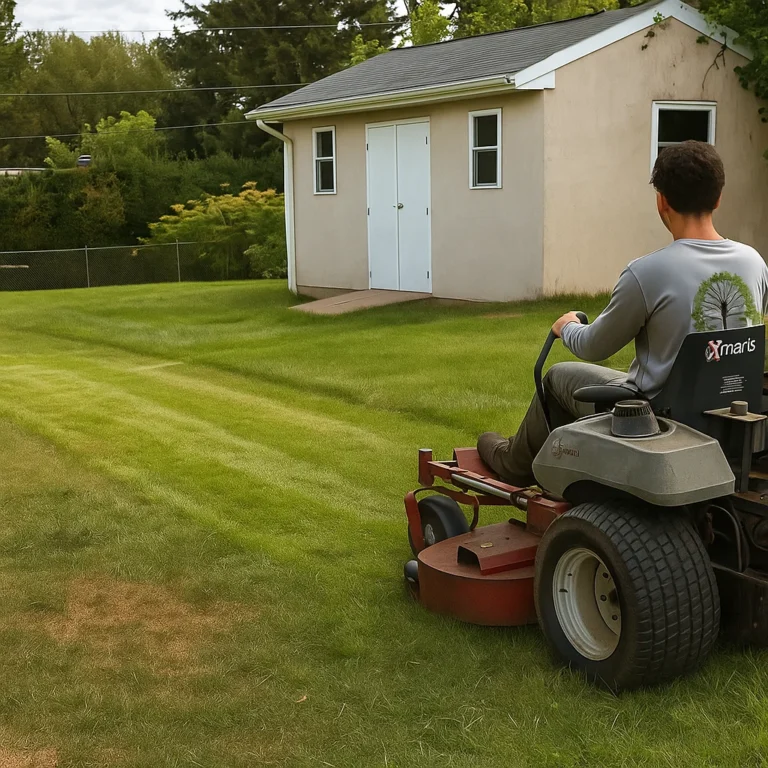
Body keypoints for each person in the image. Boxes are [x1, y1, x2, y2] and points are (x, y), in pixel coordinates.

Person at [478, 140, 768, 487]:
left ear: (661, 200)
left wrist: (567, 327)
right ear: (718, 198)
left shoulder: (647, 272)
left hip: (654, 417)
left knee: (557, 376)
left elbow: (595, 347)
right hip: (732, 412)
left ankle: (513, 464)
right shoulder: (754, 263)